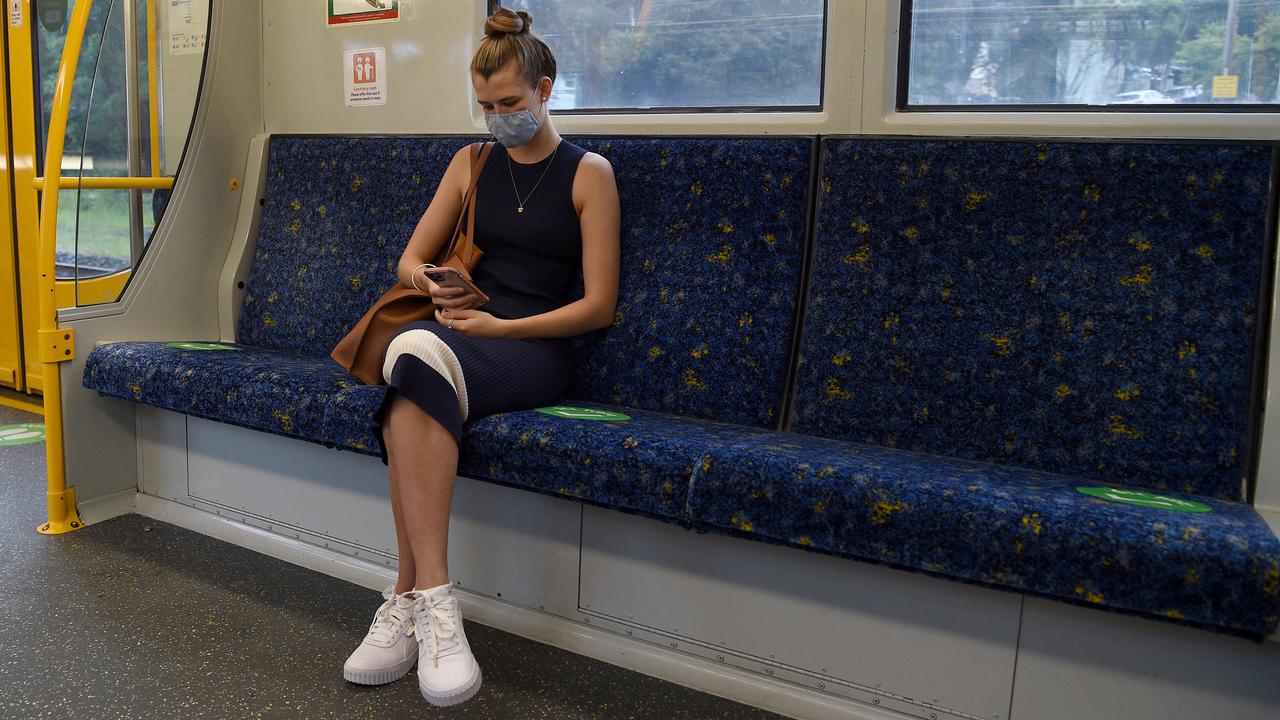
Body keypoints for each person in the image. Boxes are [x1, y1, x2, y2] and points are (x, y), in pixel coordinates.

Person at [340, 6, 620, 708]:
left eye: (511, 103)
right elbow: (411, 258)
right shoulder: (470, 163)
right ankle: (432, 602)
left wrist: (500, 329)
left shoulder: (590, 176)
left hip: (534, 349)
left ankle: (407, 598)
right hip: (458, 338)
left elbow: (598, 306)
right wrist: (430, 283)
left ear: (546, 90)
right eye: (486, 106)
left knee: (412, 359)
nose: (498, 118)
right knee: (415, 361)